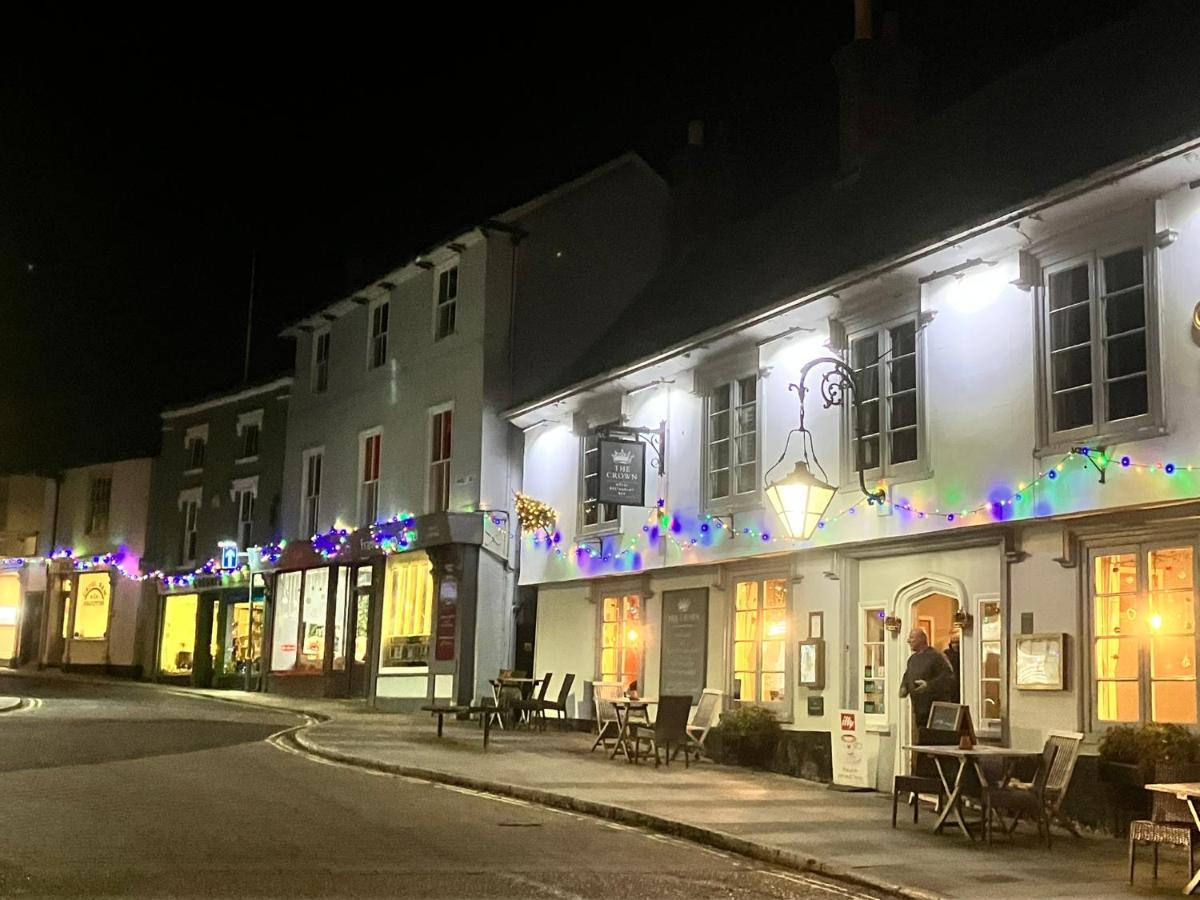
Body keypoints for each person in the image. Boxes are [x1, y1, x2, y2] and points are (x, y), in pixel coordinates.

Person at [898, 627, 956, 729]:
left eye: (912, 638)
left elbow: (948, 677)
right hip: (919, 711)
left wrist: (929, 685)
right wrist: (904, 687)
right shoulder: (912, 659)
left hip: (937, 713)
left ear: (921, 639)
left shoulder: (937, 657)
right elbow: (907, 676)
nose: (908, 641)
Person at [944, 634, 962, 703]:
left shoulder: (964, 653)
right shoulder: (946, 654)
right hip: (951, 683)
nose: (955, 645)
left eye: (957, 642)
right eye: (953, 642)